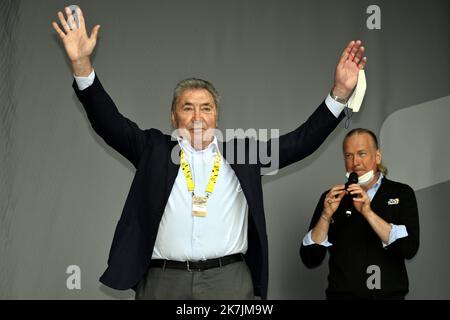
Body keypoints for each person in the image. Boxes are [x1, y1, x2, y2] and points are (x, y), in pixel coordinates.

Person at [52, 6, 367, 299]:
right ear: (174, 117)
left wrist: (339, 93)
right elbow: (109, 124)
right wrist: (82, 65)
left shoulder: (244, 153)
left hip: (228, 278)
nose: (197, 117)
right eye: (187, 108)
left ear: (217, 116)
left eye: (206, 108)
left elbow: (302, 142)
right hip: (163, 280)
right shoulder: (154, 149)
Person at [300, 128, 420, 299]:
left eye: (362, 153)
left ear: (377, 156)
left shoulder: (401, 193)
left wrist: (368, 213)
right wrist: (325, 216)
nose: (355, 162)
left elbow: (409, 248)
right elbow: (310, 258)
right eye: (348, 155)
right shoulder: (333, 198)